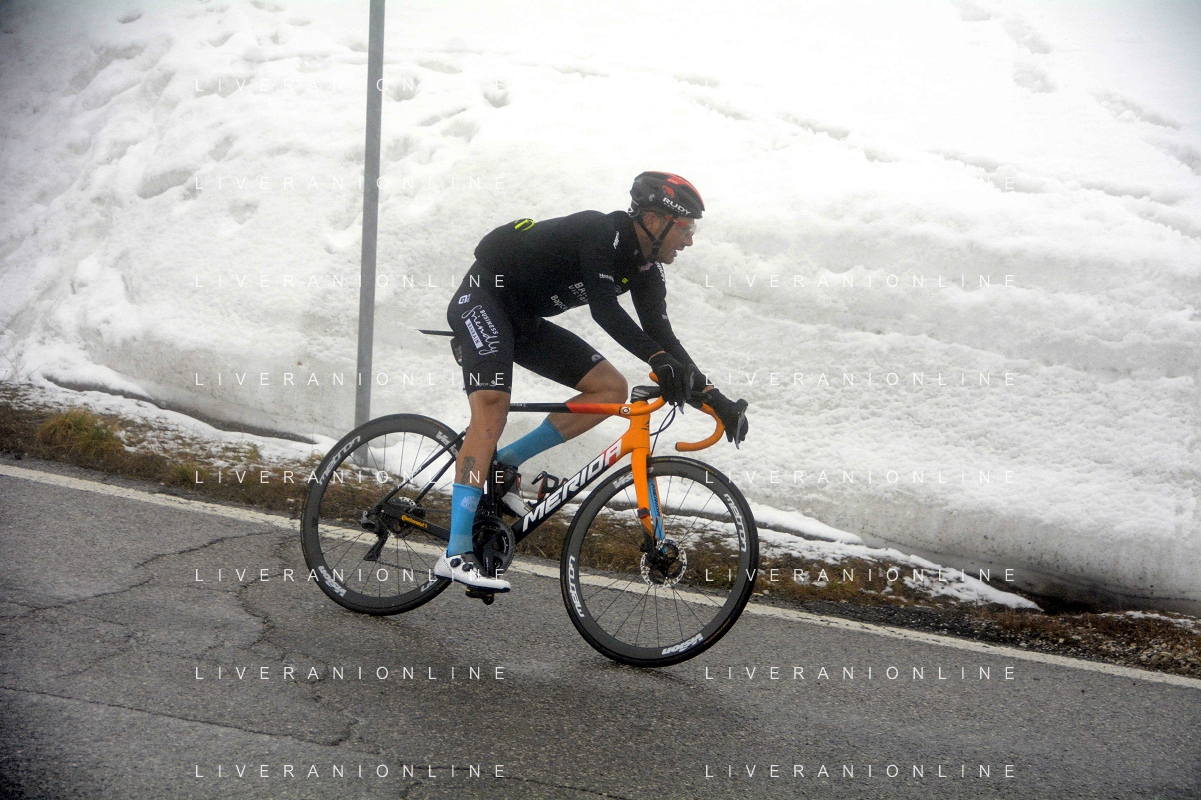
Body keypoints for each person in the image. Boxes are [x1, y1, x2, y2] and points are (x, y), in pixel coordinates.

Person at [437, 171, 749, 591]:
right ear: (654, 220)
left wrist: (713, 398)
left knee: (610, 389)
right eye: (686, 228)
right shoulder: (601, 233)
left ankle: (504, 464)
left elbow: (663, 336)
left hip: (522, 320)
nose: (689, 240)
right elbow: (605, 311)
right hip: (481, 298)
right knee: (492, 407)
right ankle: (455, 552)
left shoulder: (645, 268)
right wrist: (658, 360)